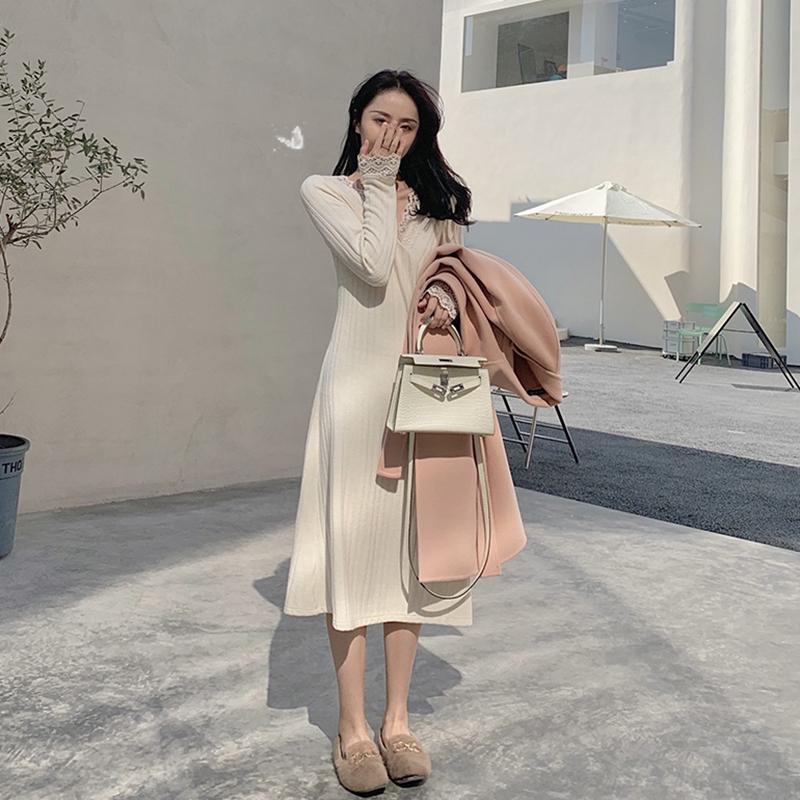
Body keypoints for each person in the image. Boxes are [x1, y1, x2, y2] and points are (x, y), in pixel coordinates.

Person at [283, 69, 475, 791]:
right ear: (357, 120)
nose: (391, 135)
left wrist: (445, 303)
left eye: (406, 126)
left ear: (422, 135)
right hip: (355, 393)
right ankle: (352, 728)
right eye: (379, 120)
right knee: (352, 552)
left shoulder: (438, 206)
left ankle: (397, 721)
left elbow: (452, 279)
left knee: (409, 555)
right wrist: (375, 183)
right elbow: (368, 266)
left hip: (421, 390)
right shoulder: (326, 191)